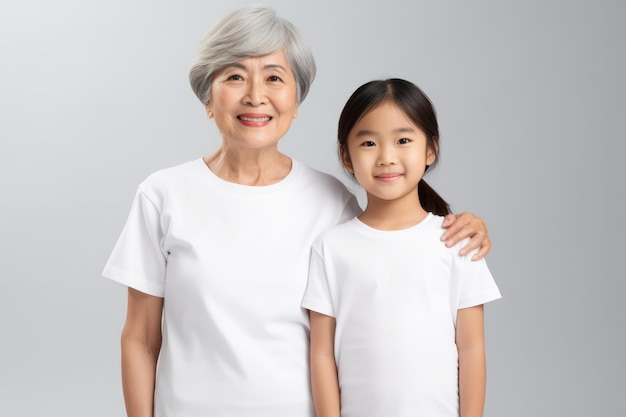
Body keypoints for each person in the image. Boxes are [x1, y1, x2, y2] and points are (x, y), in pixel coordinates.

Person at [102, 7, 492, 417]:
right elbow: (140, 339)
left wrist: (463, 226)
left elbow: (394, 254)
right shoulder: (163, 196)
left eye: (274, 77)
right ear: (207, 98)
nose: (255, 95)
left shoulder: (331, 200)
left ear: (297, 99)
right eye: (234, 76)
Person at [302, 79, 501, 417]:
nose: (386, 157)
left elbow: (471, 348)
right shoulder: (331, 247)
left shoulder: (456, 241)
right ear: (345, 156)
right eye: (368, 142)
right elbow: (321, 353)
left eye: (403, 140)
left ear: (430, 149)